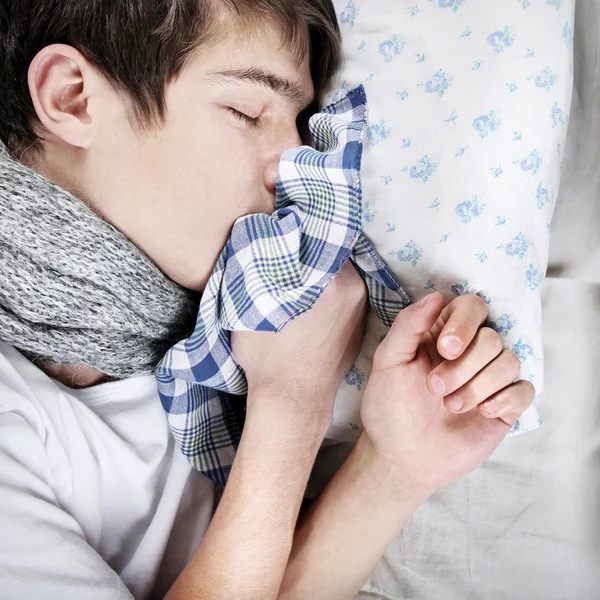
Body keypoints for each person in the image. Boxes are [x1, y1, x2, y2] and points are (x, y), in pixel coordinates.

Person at [0, 1, 534, 599]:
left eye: (300, 123)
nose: (296, 165)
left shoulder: (211, 337)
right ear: (72, 96)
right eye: (247, 111)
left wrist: (393, 466)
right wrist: (291, 404)